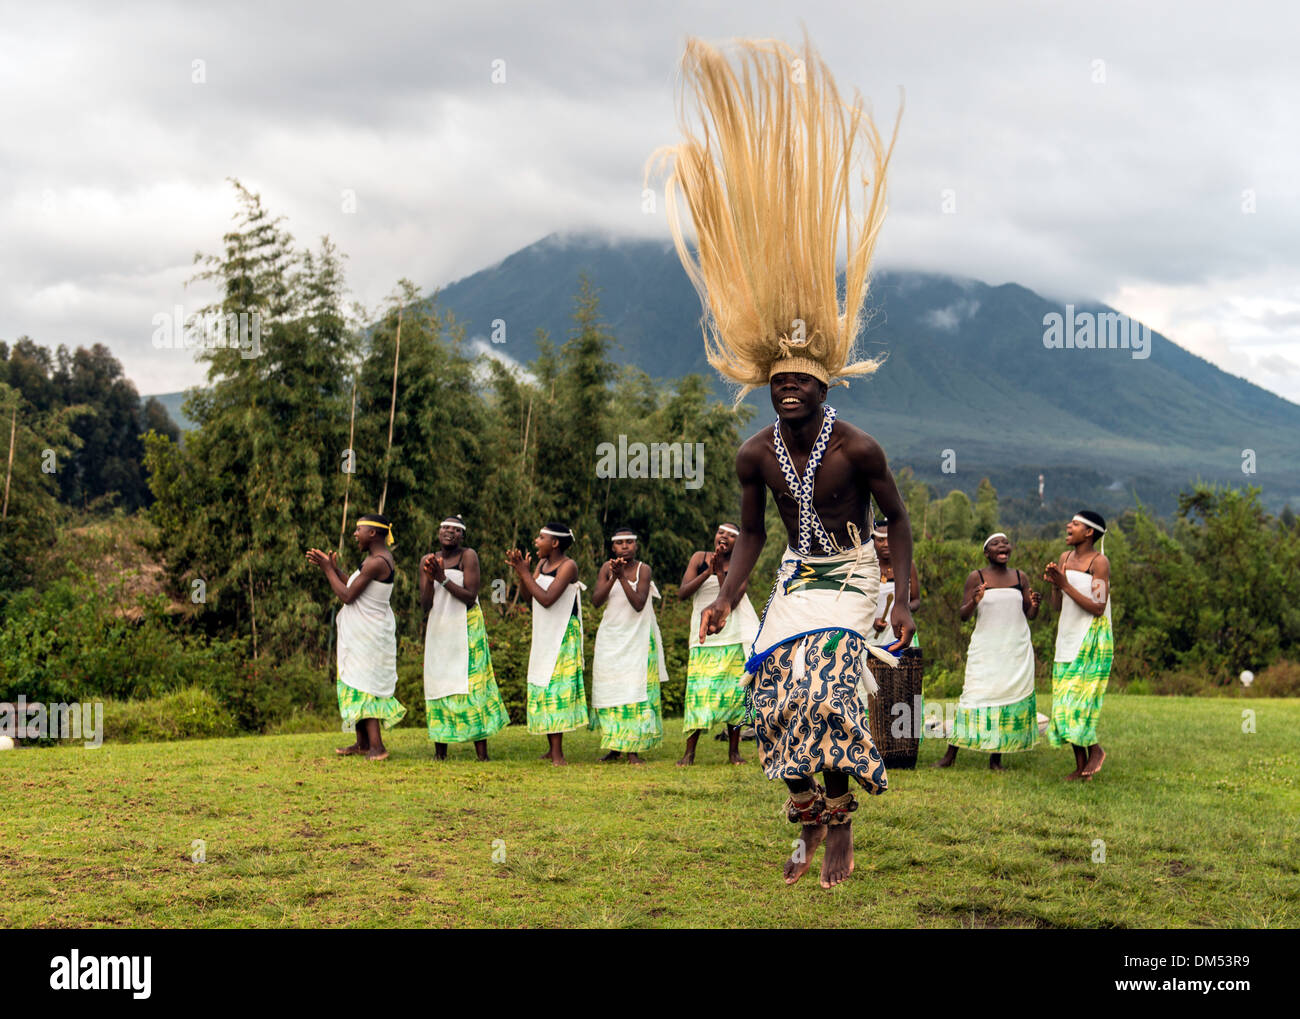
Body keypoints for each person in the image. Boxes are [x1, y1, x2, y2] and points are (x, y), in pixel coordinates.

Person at [653, 35, 910, 889]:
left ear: (823, 381)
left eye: (803, 379)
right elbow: (755, 538)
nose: (788, 389)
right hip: (798, 572)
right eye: (777, 379)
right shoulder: (755, 452)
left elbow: (900, 521)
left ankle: (840, 830)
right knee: (775, 695)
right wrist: (728, 595)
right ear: (766, 383)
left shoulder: (857, 448)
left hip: (854, 570)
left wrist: (901, 598)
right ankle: (804, 819)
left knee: (830, 690)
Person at [935, 532, 1041, 770]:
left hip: (1014, 647)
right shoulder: (977, 576)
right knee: (973, 695)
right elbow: (963, 615)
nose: (1002, 545)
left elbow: (1030, 615)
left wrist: (1034, 605)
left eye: (1005, 542)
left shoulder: (1019, 577)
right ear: (987, 552)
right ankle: (950, 755)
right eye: (995, 543)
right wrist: (975, 600)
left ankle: (996, 759)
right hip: (986, 648)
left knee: (1006, 697)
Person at [306, 513, 406, 761]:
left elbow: (347, 596)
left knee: (365, 686)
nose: (355, 534)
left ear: (372, 533)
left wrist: (328, 569)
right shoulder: (372, 559)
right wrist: (333, 569)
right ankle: (362, 743)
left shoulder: (378, 561)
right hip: (362, 633)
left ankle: (377, 747)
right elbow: (353, 586)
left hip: (369, 635)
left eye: (358, 529)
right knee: (356, 683)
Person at [419, 515, 509, 761]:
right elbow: (425, 604)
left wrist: (442, 578)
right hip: (440, 627)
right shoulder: (428, 559)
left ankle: (482, 753)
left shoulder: (468, 556)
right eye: (444, 528)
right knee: (440, 683)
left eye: (455, 530)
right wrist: (429, 579)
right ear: (438, 532)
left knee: (472, 683)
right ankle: (440, 752)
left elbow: (470, 595)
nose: (449, 532)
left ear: (462, 535)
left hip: (467, 626)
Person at [676, 523, 760, 766]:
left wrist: (722, 571)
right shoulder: (698, 558)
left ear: (739, 543)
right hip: (703, 637)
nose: (724, 538)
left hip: (732, 636)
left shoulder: (741, 566)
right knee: (698, 694)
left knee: (734, 696)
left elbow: (730, 598)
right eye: (721, 533)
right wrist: (707, 571)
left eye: (732, 536)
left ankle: (734, 753)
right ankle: (689, 753)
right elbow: (682, 593)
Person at [506, 523, 588, 765]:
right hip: (544, 631)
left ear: (555, 543)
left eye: (541, 537)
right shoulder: (542, 565)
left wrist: (524, 573)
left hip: (563, 632)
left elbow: (548, 598)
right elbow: (529, 595)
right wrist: (525, 573)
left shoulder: (568, 566)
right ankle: (551, 747)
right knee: (543, 683)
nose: (535, 541)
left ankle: (558, 753)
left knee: (555, 687)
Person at [1044, 511, 1113, 780]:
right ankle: (1081, 765)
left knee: (1078, 702)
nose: (1068, 526)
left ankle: (1095, 750)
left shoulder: (1100, 562)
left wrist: (1065, 584)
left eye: (1074, 524)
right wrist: (1054, 585)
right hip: (1067, 635)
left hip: (1093, 638)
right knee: (1063, 701)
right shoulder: (1064, 558)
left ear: (1089, 533)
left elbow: (1098, 607)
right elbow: (1058, 605)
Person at [590, 527, 667, 764]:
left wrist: (622, 577)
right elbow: (595, 601)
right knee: (611, 689)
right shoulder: (606, 568)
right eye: (620, 543)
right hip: (611, 637)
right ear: (613, 547)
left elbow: (639, 603)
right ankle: (615, 746)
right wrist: (613, 575)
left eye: (629, 542)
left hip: (638, 639)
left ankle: (633, 749)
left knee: (634, 690)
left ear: (636, 546)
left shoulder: (644, 570)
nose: (625, 546)